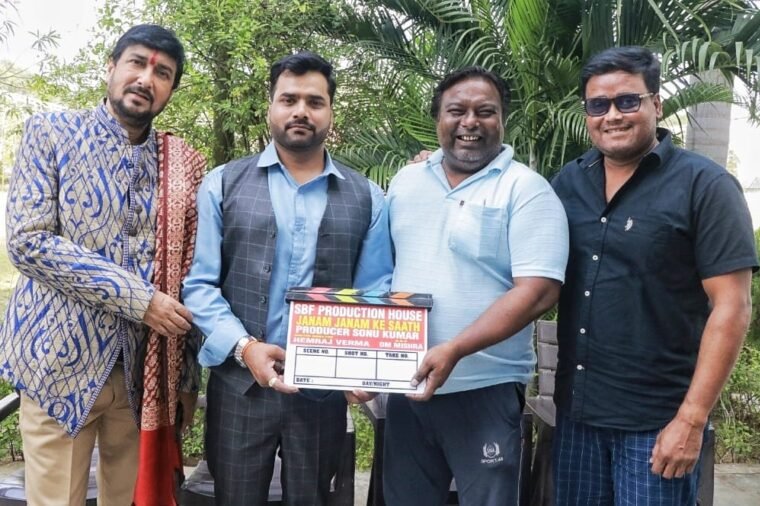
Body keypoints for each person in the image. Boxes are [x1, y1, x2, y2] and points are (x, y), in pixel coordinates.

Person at [0, 24, 207, 506]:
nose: (146, 79)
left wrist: (185, 378)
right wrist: (140, 300)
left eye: (163, 73)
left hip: (144, 375)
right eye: (136, 63)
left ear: (171, 90)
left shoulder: (181, 164)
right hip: (57, 365)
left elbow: (191, 270)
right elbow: (29, 242)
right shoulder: (51, 133)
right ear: (111, 67)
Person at [550, 46, 759, 505]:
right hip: (578, 417)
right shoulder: (568, 183)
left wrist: (692, 419)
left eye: (628, 101)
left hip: (659, 423)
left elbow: (733, 306)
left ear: (657, 104)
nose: (612, 115)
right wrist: (441, 169)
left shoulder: (705, 186)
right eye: (598, 105)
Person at [182, 51, 392, 506]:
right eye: (289, 99)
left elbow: (374, 293)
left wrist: (364, 367)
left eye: (315, 102)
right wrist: (245, 347)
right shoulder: (222, 184)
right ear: (271, 107)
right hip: (239, 388)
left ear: (330, 111)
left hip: (321, 394)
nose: (301, 111)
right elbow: (200, 286)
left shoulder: (368, 197)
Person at [379, 67, 569, 505]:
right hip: (408, 387)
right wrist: (368, 360)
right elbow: (383, 271)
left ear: (502, 120)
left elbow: (538, 291)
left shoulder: (527, 190)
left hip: (486, 388)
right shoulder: (406, 182)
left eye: (485, 111)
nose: (470, 122)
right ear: (437, 119)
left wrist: (455, 349)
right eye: (456, 111)